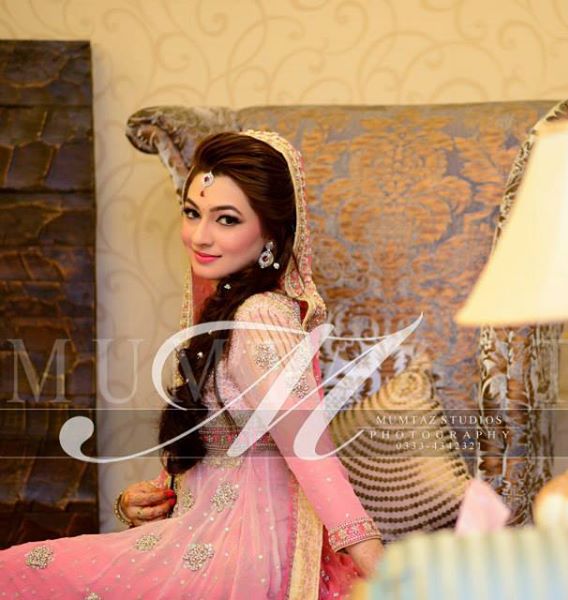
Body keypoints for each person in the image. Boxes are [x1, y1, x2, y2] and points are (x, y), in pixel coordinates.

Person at [0, 130, 384, 598]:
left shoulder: (260, 316)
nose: (200, 236)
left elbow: (312, 455)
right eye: (191, 213)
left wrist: (391, 576)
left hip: (237, 563)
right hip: (209, 541)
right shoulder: (228, 312)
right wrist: (145, 498)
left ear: (271, 233)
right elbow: (224, 451)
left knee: (14, 573)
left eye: (227, 219)